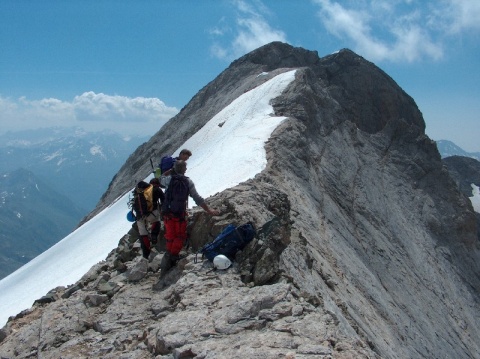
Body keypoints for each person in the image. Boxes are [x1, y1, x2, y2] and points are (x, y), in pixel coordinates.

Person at [159, 159, 219, 274]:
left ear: (175, 169)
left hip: (167, 214)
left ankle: (168, 258)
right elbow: (197, 198)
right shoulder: (188, 182)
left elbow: (160, 180)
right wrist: (209, 210)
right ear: (185, 170)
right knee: (180, 236)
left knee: (170, 235)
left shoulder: (169, 179)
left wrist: (168, 172)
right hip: (180, 214)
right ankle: (174, 256)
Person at [135, 178, 165, 259]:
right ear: (157, 184)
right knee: (156, 221)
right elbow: (164, 200)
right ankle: (154, 236)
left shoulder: (138, 193)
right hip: (151, 213)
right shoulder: (156, 189)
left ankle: (146, 254)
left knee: (143, 234)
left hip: (139, 217)